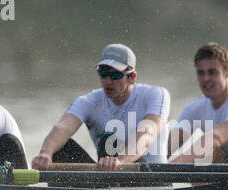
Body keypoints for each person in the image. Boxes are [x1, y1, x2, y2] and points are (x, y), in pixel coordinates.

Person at [31, 43, 171, 171]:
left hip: (152, 179)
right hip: (111, 177)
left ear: (132, 77)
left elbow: (148, 132)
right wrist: (45, 153)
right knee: (59, 147)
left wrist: (121, 162)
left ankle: (108, 187)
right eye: (103, 73)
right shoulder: (89, 101)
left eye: (115, 74)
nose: (107, 81)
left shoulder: (155, 94)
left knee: (109, 142)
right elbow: (63, 127)